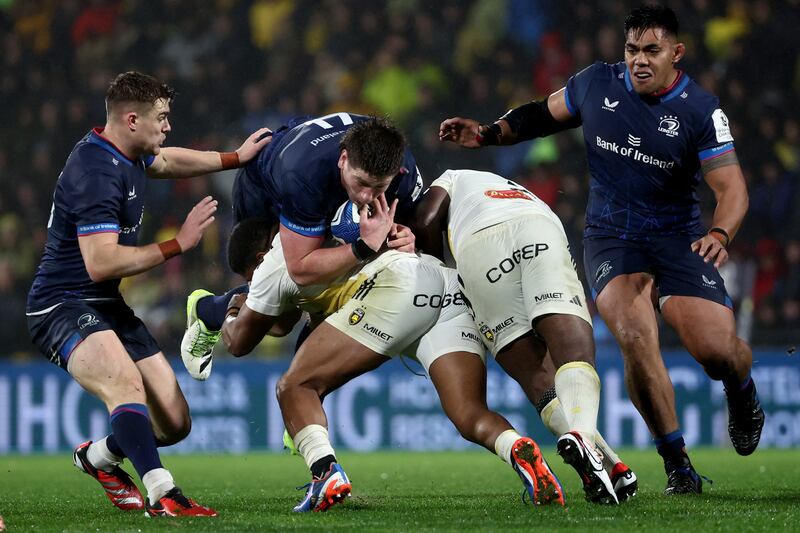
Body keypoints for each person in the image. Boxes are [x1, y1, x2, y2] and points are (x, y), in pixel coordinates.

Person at [438, 4, 764, 495]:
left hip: (678, 238)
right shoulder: (596, 83)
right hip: (613, 237)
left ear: (676, 53)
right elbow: (538, 117)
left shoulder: (700, 108)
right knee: (634, 336)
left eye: (651, 50)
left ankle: (742, 394)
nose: (639, 60)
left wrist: (719, 235)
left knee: (718, 351)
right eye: (632, 49)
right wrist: (487, 133)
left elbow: (732, 187)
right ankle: (677, 463)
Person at [25, 71, 271, 516]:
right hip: (61, 304)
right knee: (126, 385)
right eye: (162, 117)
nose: (168, 126)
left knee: (174, 422)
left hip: (105, 305)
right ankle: (165, 495)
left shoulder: (130, 153)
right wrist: (179, 243)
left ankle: (98, 458)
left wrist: (236, 158)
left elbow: (169, 161)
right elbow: (101, 263)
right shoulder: (96, 171)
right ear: (133, 119)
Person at [413, 168, 627, 504]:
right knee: (571, 348)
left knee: (534, 374)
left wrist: (436, 269)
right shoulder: (499, 186)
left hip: (477, 250)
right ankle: (592, 446)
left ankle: (609, 461)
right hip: (536, 226)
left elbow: (425, 218)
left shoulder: (449, 178)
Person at [182, 112, 422, 364]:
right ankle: (210, 309)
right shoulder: (302, 175)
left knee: (320, 296)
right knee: (281, 320)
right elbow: (300, 270)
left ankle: (303, 382)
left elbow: (405, 229)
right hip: (266, 193)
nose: (366, 196)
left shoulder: (402, 171)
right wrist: (362, 248)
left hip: (318, 182)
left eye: (378, 187)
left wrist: (406, 236)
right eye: (361, 182)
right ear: (343, 159)